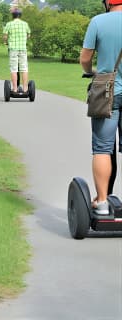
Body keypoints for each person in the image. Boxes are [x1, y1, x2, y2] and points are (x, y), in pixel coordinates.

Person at [80, 0, 122, 214]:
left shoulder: (98, 22)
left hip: (108, 92)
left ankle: (103, 202)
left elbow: (85, 59)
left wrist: (91, 70)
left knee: (103, 149)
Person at [3, 7, 31, 93]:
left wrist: (5, 42)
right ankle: (25, 89)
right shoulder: (25, 24)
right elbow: (29, 35)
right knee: (24, 68)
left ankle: (15, 89)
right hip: (22, 48)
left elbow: (5, 36)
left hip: (13, 49)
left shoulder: (9, 24)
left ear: (13, 15)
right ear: (20, 15)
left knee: (14, 69)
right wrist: (24, 39)